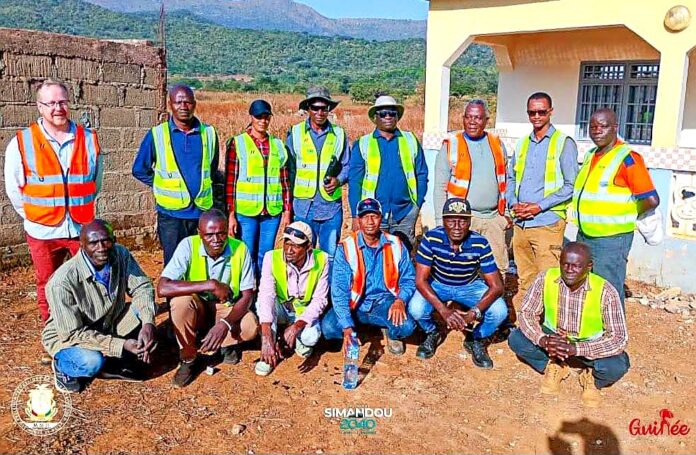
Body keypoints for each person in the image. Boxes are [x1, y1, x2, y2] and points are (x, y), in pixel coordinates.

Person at [4, 79, 103, 323]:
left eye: (62, 102)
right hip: (43, 230)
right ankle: (54, 332)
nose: (58, 108)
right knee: (48, 284)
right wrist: (35, 214)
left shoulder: (88, 139)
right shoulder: (22, 142)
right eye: (50, 103)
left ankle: (89, 326)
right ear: (40, 107)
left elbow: (95, 182)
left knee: (89, 280)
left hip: (80, 228)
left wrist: (80, 208)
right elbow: (14, 190)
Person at [508, 242, 629, 407]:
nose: (569, 270)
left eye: (576, 266)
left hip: (588, 346)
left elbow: (619, 338)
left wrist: (575, 348)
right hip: (553, 340)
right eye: (565, 264)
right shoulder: (546, 278)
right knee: (516, 339)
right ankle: (554, 366)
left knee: (617, 365)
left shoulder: (605, 291)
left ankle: (591, 378)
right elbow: (526, 312)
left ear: (589, 266)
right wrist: (543, 339)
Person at [42, 220, 157, 393]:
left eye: (106, 240)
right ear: (82, 245)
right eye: (93, 243)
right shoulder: (62, 282)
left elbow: (142, 287)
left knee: (146, 307)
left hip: (107, 323)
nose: (101, 247)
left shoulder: (120, 254)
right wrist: (121, 345)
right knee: (92, 362)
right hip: (71, 338)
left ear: (114, 240)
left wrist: (148, 324)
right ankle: (61, 365)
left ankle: (115, 359)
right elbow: (72, 333)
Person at [157, 209, 258, 388]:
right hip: (198, 307)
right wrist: (210, 285)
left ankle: (221, 343)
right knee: (180, 302)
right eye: (209, 235)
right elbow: (163, 288)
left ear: (227, 230)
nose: (216, 239)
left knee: (250, 326)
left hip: (224, 308)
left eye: (221, 233)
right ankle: (188, 357)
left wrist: (225, 324)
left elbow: (247, 296)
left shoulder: (240, 248)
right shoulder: (188, 245)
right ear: (200, 233)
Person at [571, 108, 659, 307]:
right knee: (587, 288)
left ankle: (615, 327)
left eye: (603, 126)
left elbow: (651, 199)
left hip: (611, 240)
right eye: (593, 127)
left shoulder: (627, 158)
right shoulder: (591, 155)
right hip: (585, 234)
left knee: (608, 291)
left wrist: (627, 213)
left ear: (615, 127)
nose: (597, 131)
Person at [409, 198, 507, 368]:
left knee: (500, 311)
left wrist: (474, 313)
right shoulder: (431, 238)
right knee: (416, 309)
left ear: (469, 222)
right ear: (443, 221)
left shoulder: (479, 242)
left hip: (469, 285)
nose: (457, 226)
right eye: (451, 220)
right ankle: (433, 332)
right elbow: (420, 280)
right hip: (438, 283)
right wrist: (443, 311)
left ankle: (476, 338)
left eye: (462, 221)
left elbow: (497, 286)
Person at [132, 84, 221, 266]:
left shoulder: (209, 133)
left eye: (187, 102)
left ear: (194, 104)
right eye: (178, 102)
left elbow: (211, 168)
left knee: (200, 262)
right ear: (170, 105)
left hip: (201, 212)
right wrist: (161, 183)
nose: (183, 106)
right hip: (171, 215)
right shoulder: (158, 134)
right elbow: (139, 169)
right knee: (174, 264)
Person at [322, 198, 417, 356]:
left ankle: (391, 332)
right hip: (355, 305)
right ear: (358, 220)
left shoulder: (395, 244)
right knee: (329, 328)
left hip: (384, 303)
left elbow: (408, 278)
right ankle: (356, 329)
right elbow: (339, 290)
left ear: (381, 218)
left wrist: (400, 300)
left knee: (407, 327)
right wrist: (347, 327)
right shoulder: (346, 247)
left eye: (374, 216)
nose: (370, 221)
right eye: (365, 217)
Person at [507, 92, 579, 298]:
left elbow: (571, 185)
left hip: (547, 223)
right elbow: (511, 177)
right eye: (532, 113)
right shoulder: (522, 143)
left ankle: (549, 319)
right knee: (525, 280)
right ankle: (526, 318)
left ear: (550, 112)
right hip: (521, 223)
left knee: (549, 281)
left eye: (541, 112)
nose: (536, 116)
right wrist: (513, 204)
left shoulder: (563, 143)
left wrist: (538, 206)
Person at [434, 99, 511, 274]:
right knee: (462, 269)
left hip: (493, 219)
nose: (472, 122)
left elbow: (505, 181)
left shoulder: (497, 144)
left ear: (486, 120)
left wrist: (505, 215)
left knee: (497, 270)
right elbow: (440, 187)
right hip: (463, 220)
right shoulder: (451, 145)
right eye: (468, 117)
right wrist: (441, 223)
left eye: (477, 117)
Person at [348, 95, 428, 249]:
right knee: (375, 254)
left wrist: (417, 205)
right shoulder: (363, 143)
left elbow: (421, 174)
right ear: (375, 118)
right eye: (383, 114)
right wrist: (355, 215)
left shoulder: (410, 140)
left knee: (403, 254)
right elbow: (355, 182)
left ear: (397, 117)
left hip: (405, 212)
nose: (388, 117)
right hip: (373, 213)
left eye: (392, 113)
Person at [226, 99, 291, 276]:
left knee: (266, 255)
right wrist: (231, 215)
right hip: (246, 212)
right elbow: (231, 182)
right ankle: (247, 289)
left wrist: (287, 211)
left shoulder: (278, 145)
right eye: (259, 117)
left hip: (272, 212)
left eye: (266, 117)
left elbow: (284, 181)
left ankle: (263, 288)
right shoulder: (238, 143)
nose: (263, 121)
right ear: (251, 117)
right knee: (247, 254)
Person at [255, 221, 329, 376]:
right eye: (287, 243)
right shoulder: (271, 257)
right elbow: (266, 295)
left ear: (308, 247)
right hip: (281, 307)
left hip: (302, 311)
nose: (289, 250)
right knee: (263, 304)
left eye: (296, 245)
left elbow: (320, 299)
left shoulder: (322, 259)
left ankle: (293, 336)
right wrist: (266, 338)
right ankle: (269, 348)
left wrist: (296, 326)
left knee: (310, 338)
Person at [286, 86, 349, 265]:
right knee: (301, 256)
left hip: (331, 208)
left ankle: (327, 285)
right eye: (315, 108)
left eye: (324, 108)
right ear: (308, 109)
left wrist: (339, 180)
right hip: (303, 208)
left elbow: (347, 165)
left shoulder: (339, 134)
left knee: (330, 257)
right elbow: (289, 170)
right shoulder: (295, 133)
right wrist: (288, 208)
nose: (320, 112)